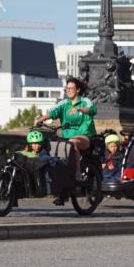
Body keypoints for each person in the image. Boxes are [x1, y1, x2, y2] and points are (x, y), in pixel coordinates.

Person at [34, 77, 97, 205]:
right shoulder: (64, 103)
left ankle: (78, 174)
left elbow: (92, 110)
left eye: (71, 88)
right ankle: (61, 191)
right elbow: (53, 112)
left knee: (72, 142)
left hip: (84, 137)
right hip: (66, 138)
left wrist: (80, 109)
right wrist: (41, 119)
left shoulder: (85, 101)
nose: (68, 91)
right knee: (53, 151)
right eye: (66, 88)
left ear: (78, 90)